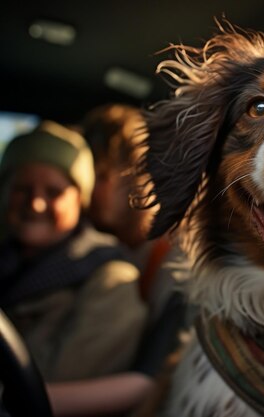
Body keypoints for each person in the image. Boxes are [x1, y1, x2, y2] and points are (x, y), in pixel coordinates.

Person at [45, 104, 191, 417]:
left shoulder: (180, 262)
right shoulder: (92, 250)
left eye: (98, 177)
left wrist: (20, 396)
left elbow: (147, 381)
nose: (83, 193)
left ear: (135, 175)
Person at [0, 121, 147, 383]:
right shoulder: (8, 257)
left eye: (54, 192)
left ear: (80, 200)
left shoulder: (110, 281)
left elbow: (49, 389)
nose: (35, 204)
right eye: (23, 188)